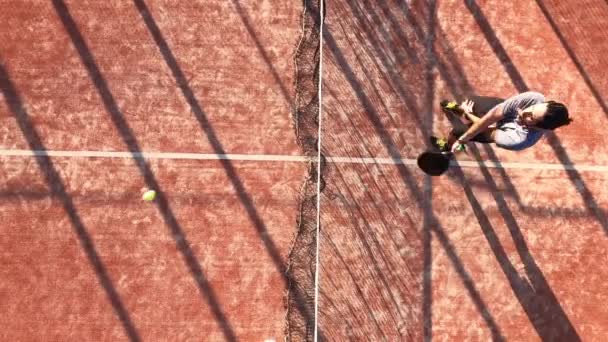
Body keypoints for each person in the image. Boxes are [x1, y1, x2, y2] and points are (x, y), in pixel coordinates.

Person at [431, 91, 572, 153]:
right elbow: (489, 119)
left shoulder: (518, 140)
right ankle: (460, 109)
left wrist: (466, 116)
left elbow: (485, 128)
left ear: (540, 128)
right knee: (473, 102)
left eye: (531, 118)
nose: (525, 112)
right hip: (505, 115)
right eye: (533, 109)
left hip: (500, 131)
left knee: (458, 131)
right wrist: (468, 111)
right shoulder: (534, 98)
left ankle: (448, 146)